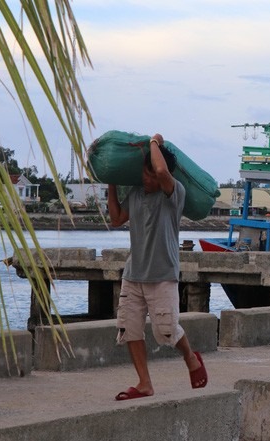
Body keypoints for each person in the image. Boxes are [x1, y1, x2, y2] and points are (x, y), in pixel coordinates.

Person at [108, 133, 207, 401]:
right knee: (129, 328)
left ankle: (189, 356)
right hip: (134, 274)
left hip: (163, 275)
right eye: (144, 174)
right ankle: (144, 383)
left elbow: (161, 170)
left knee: (167, 330)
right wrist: (112, 182)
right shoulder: (137, 194)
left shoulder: (174, 194)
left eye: (150, 175)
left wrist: (154, 142)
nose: (146, 179)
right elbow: (117, 218)